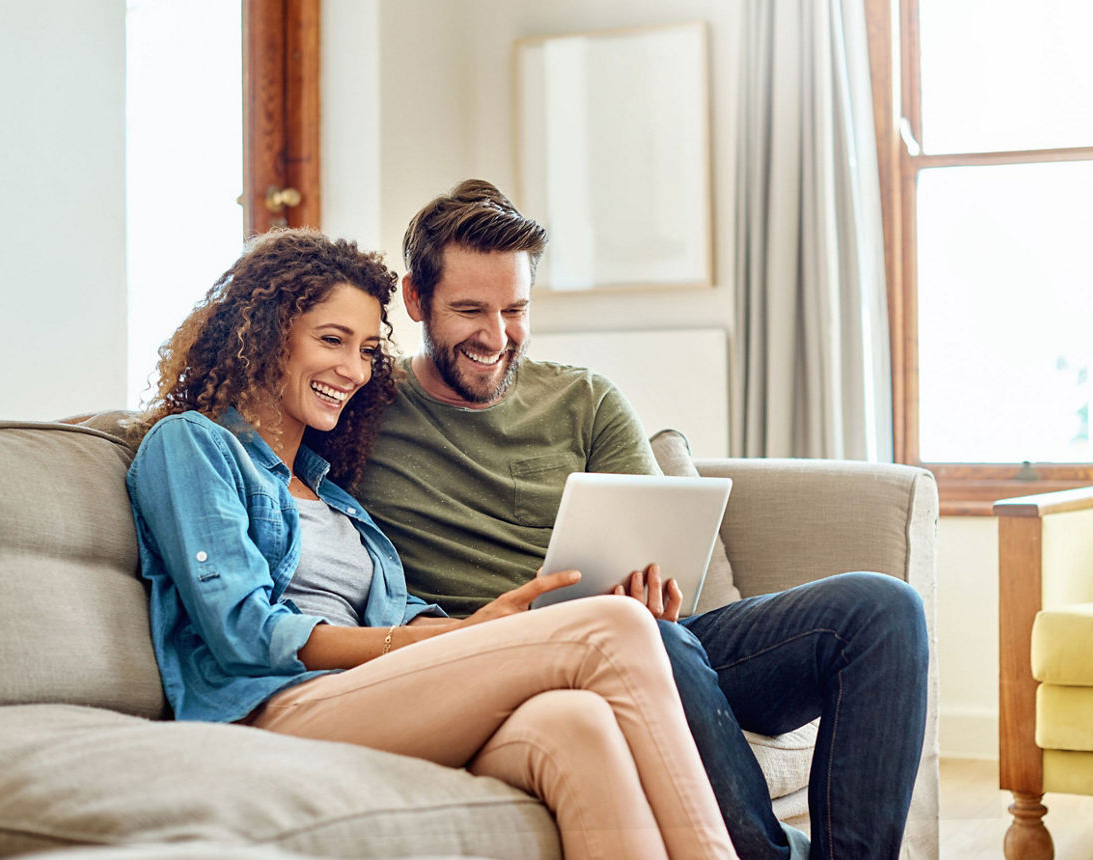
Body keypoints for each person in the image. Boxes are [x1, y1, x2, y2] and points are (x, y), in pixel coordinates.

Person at [356, 180, 931, 859]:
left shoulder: (585, 400)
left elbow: (662, 546)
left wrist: (658, 588)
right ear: (416, 299)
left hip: (660, 647)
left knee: (882, 610)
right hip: (506, 662)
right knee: (640, 636)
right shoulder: (363, 412)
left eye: (515, 309)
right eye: (470, 310)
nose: (496, 335)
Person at [123, 228, 735, 860]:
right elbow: (243, 632)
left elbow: (394, 613)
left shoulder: (331, 491)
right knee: (613, 626)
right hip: (270, 705)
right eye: (331, 341)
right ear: (269, 332)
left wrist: (478, 626)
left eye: (365, 349)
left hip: (369, 691)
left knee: (577, 726)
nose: (354, 370)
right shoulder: (192, 446)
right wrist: (423, 642)